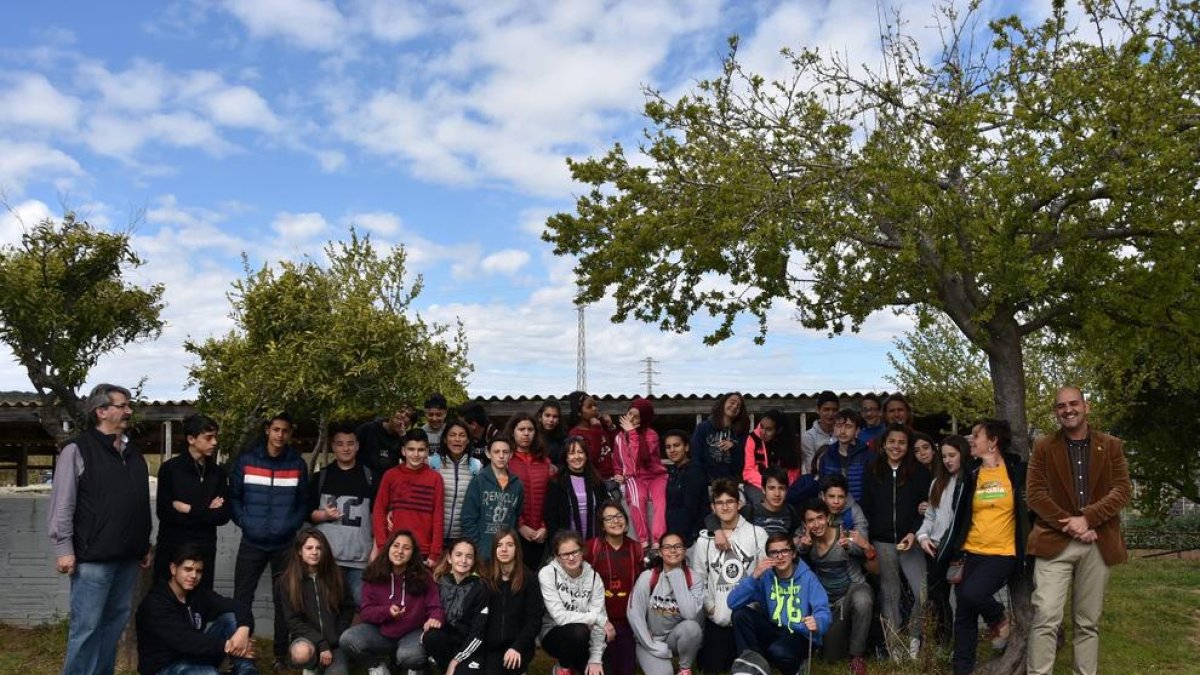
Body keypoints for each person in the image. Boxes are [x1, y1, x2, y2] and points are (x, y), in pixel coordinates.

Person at [1026, 387, 1132, 675]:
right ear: (1055, 412)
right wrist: (1071, 524)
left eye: (1073, 404)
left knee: (1087, 622)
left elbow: (1122, 490)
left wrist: (1088, 518)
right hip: (1053, 541)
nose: (1067, 410)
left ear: (1087, 406)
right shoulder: (1043, 446)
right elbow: (1035, 495)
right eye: (1061, 406)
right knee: (1045, 616)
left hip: (1098, 542)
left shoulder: (1111, 445)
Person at [48, 383, 152, 675]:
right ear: (101, 411)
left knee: (113, 626)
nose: (129, 411)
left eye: (129, 405)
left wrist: (143, 544)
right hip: (92, 559)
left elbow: (137, 503)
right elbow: (63, 502)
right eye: (122, 405)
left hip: (128, 558)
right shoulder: (77, 450)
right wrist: (63, 548)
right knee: (86, 629)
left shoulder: (134, 454)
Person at [939, 420, 1028, 674]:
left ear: (993, 441)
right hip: (971, 551)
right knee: (964, 616)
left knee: (971, 594)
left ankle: (999, 618)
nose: (971, 439)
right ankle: (962, 669)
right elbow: (962, 514)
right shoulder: (972, 474)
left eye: (976, 435)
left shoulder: (1015, 470)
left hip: (1003, 553)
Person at [229, 411, 310, 670]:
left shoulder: (297, 464)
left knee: (283, 600)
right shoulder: (247, 461)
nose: (280, 435)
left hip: (284, 544)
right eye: (276, 429)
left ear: (290, 433)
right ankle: (241, 652)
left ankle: (279, 655)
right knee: (242, 598)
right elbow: (234, 498)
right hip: (251, 541)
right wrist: (245, 521)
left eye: (285, 431)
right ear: (267, 430)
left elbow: (303, 503)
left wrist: (291, 525)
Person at [860, 422, 931, 659]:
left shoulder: (919, 471)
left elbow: (926, 508)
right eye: (892, 442)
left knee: (921, 592)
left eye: (901, 442)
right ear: (884, 444)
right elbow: (866, 507)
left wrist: (914, 532)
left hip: (910, 540)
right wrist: (869, 540)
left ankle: (914, 639)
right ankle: (894, 646)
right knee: (890, 595)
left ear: (908, 445)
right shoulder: (872, 470)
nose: (896, 446)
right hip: (882, 542)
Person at [135, 543, 257, 675]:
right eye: (188, 569)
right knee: (208, 673)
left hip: (194, 657)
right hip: (165, 667)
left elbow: (240, 607)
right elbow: (184, 640)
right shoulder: (155, 603)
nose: (194, 576)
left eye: (198, 571)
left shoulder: (198, 594)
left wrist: (243, 631)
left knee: (231, 618)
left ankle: (247, 671)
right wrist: (229, 645)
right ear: (173, 569)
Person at [688, 478, 767, 674]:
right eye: (720, 503)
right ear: (713, 508)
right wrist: (711, 608)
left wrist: (757, 605)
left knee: (749, 669)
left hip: (747, 618)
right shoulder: (704, 541)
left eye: (730, 501)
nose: (725, 507)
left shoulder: (757, 533)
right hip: (719, 619)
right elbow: (698, 579)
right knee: (712, 668)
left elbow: (765, 574)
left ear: (739, 504)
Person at [340, 530, 444, 675]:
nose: (400, 551)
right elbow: (366, 612)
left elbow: (435, 606)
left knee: (409, 657)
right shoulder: (374, 573)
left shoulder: (423, 575)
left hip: (412, 632)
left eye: (406, 548)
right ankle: (377, 667)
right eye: (396, 546)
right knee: (348, 639)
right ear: (388, 548)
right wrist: (386, 611)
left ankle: (414, 668)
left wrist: (435, 618)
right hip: (381, 632)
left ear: (413, 553)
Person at [728, 532, 832, 675]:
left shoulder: (808, 577)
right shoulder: (766, 577)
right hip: (774, 629)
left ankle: (797, 667)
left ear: (793, 554)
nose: (780, 556)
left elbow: (823, 610)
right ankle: (752, 666)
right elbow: (733, 603)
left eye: (784, 551)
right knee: (740, 615)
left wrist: (817, 621)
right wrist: (754, 576)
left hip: (800, 634)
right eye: (774, 552)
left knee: (778, 651)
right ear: (769, 557)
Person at [154, 413, 230, 591]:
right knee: (167, 600)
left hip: (204, 549)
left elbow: (223, 516)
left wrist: (188, 509)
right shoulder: (170, 470)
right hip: (173, 547)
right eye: (209, 437)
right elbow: (165, 512)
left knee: (201, 605)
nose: (214, 442)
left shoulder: (218, 473)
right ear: (191, 439)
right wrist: (206, 511)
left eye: (215, 437)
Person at [800, 500, 872, 675]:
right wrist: (803, 549)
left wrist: (864, 547)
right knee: (831, 657)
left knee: (863, 600)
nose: (816, 524)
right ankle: (841, 636)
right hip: (829, 602)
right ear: (805, 524)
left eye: (820, 518)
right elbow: (795, 566)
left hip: (852, 590)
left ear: (828, 518)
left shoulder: (844, 536)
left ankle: (857, 656)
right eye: (811, 520)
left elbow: (875, 568)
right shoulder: (806, 542)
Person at [308, 421, 377, 605]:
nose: (345, 448)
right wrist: (324, 515)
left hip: (360, 560)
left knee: (362, 606)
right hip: (328, 559)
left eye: (350, 443)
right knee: (328, 606)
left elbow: (377, 516)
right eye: (340, 444)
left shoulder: (370, 477)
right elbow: (308, 513)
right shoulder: (321, 477)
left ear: (357, 446)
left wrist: (376, 548)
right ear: (332, 446)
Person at [460, 527, 544, 673]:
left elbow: (535, 620)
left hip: (517, 646)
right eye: (499, 545)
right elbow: (470, 609)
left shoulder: (528, 578)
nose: (504, 549)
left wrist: (518, 646)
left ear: (517, 549)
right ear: (494, 550)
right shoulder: (485, 574)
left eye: (509, 545)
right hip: (487, 646)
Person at [278, 529, 354, 675]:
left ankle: (328, 664)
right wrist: (321, 643)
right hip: (308, 640)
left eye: (319, 548)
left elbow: (348, 608)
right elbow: (293, 621)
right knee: (301, 653)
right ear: (300, 551)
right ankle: (312, 666)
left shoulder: (336, 575)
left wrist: (334, 637)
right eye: (309, 548)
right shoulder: (288, 581)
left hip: (334, 642)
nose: (314, 552)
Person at [627, 532, 705, 675]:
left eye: (678, 546)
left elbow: (689, 613)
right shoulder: (648, 577)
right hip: (649, 639)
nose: (673, 550)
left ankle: (684, 668)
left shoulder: (694, 579)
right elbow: (634, 615)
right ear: (661, 552)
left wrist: (677, 575)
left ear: (684, 550)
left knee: (692, 628)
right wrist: (652, 646)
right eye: (668, 547)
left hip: (675, 638)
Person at [917, 433, 968, 649]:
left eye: (952, 455)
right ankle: (943, 646)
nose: (948, 460)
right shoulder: (937, 482)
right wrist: (922, 537)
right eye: (944, 456)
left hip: (959, 551)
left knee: (965, 600)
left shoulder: (969, 481)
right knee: (937, 600)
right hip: (935, 549)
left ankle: (964, 645)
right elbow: (930, 516)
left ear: (962, 454)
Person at [584, 502, 644, 675]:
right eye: (609, 518)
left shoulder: (636, 549)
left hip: (627, 622)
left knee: (625, 669)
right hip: (598, 621)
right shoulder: (592, 547)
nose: (615, 521)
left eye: (619, 516)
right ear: (602, 525)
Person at [373, 428, 444, 566]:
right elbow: (379, 512)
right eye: (411, 449)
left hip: (423, 549)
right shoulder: (390, 476)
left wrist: (435, 552)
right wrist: (382, 546)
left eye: (421, 450)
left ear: (427, 451)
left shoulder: (435, 479)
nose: (416, 454)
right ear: (403, 451)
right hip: (394, 548)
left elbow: (438, 517)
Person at [539, 531, 608, 675]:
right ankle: (562, 667)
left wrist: (595, 659)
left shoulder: (594, 577)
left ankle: (576, 664)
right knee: (578, 632)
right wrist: (595, 618)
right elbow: (560, 616)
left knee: (602, 670)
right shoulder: (548, 573)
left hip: (586, 637)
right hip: (554, 634)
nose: (571, 557)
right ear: (557, 557)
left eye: (575, 552)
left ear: (582, 551)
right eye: (565, 554)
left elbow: (600, 615)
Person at [424, 539, 489, 675]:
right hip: (445, 642)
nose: (463, 560)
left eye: (469, 556)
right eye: (458, 555)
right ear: (449, 558)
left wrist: (456, 660)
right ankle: (442, 666)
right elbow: (427, 610)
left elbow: (478, 633)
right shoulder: (439, 582)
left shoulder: (481, 587)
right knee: (430, 637)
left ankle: (453, 667)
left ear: (474, 561)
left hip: (470, 647)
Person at [614, 397, 668, 551]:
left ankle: (657, 541)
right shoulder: (619, 438)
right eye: (630, 413)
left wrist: (632, 433)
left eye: (636, 416)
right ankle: (644, 542)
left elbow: (639, 458)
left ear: (643, 419)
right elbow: (619, 461)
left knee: (661, 502)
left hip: (656, 476)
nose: (630, 418)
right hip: (635, 477)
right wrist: (618, 473)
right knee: (637, 500)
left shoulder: (651, 435)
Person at [462, 436, 524, 561]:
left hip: (506, 551)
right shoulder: (478, 481)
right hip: (483, 549)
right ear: (488, 453)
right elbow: (468, 519)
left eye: (505, 452)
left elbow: (516, 516)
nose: (501, 456)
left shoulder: (517, 484)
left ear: (511, 454)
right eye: (496, 452)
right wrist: (477, 547)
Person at [507, 412, 554, 565]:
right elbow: (504, 499)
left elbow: (552, 498)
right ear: (512, 432)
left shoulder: (545, 462)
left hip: (542, 534)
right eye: (521, 429)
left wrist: (545, 526)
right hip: (515, 533)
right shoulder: (506, 461)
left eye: (530, 429)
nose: (526, 433)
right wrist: (520, 525)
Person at [706, 467, 801, 542]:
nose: (777, 494)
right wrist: (718, 532)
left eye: (782, 488)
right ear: (763, 489)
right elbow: (712, 518)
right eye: (771, 488)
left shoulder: (791, 511)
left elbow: (797, 535)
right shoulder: (750, 510)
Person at [429, 419, 483, 548]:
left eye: (462, 435)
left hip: (462, 537)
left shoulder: (476, 466)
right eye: (452, 435)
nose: (457, 439)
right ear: (445, 439)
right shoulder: (432, 463)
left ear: (468, 440)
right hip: (433, 534)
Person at [545, 435, 609, 543]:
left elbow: (605, 510)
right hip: (567, 544)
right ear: (566, 457)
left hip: (596, 543)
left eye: (580, 452)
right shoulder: (556, 483)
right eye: (571, 453)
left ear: (586, 455)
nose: (576, 456)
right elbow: (551, 516)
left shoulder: (597, 482)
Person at [742, 409, 802, 502]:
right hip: (757, 484)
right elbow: (748, 471)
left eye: (768, 429)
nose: (763, 432)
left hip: (783, 485)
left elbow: (794, 472)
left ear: (778, 430)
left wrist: (780, 486)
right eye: (761, 427)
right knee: (762, 502)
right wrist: (767, 485)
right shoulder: (752, 439)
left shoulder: (789, 442)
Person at [662, 429, 709, 547]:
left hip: (691, 539)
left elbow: (691, 508)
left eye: (676, 445)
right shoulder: (673, 472)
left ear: (686, 447)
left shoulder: (694, 472)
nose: (672, 450)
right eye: (668, 447)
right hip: (675, 538)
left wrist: (685, 540)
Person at [691, 392, 750, 481]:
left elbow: (744, 459)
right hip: (706, 481)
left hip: (731, 483)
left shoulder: (741, 433)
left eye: (738, 406)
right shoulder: (703, 428)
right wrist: (700, 477)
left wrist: (735, 446)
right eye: (732, 402)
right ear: (723, 403)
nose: (734, 407)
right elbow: (695, 455)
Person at [566, 390, 617, 485]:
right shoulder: (576, 433)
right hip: (595, 481)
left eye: (595, 405)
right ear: (579, 413)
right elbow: (592, 458)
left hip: (612, 477)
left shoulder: (599, 426)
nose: (594, 409)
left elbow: (615, 447)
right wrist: (596, 428)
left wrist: (610, 427)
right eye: (589, 407)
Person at [357, 406, 411, 474]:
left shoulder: (403, 438)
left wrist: (403, 436)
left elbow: (410, 460)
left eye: (407, 415)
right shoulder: (369, 429)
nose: (403, 415)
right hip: (365, 478)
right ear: (391, 413)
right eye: (400, 411)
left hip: (388, 480)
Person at [802, 390, 840, 472]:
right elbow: (811, 467)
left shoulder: (843, 434)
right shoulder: (809, 436)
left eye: (834, 410)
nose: (831, 413)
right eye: (826, 409)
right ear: (818, 410)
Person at [537, 398, 568, 465]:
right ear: (540, 417)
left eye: (555, 416)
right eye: (547, 415)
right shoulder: (533, 437)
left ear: (559, 420)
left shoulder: (563, 441)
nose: (551, 420)